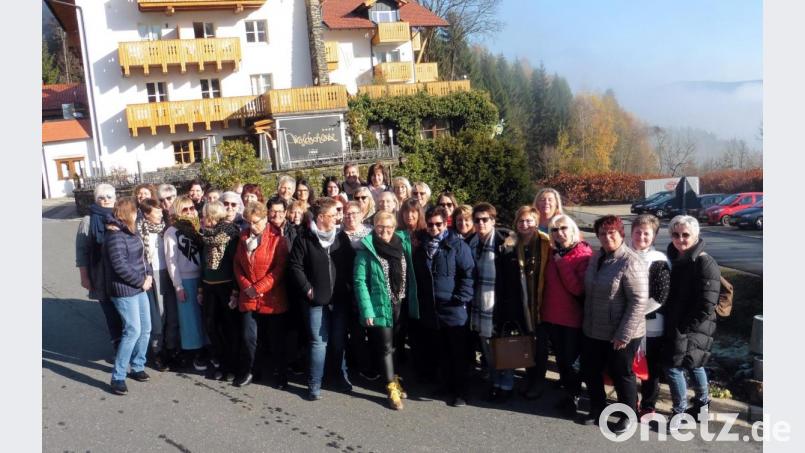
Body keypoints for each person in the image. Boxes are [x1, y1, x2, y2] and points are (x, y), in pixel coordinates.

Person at [577, 215, 648, 434]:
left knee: (621, 374)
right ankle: (598, 408)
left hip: (622, 332)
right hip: (594, 328)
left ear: (621, 234)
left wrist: (623, 334)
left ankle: (629, 416)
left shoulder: (630, 261)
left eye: (612, 233)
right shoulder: (597, 257)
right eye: (602, 234)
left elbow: (639, 301)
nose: (607, 237)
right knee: (590, 370)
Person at [289, 198, 356, 400]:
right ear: (321, 218)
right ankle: (314, 382)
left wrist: (348, 289)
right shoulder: (304, 238)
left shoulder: (341, 237)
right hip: (315, 300)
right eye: (333, 214)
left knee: (338, 341)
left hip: (339, 299)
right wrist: (307, 288)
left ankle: (341, 376)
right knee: (319, 343)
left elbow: (350, 263)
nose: (338, 217)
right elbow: (295, 266)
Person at [354, 211, 419, 410]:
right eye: (380, 227)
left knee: (396, 346)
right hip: (380, 305)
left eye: (389, 227)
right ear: (374, 226)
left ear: (394, 228)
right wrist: (368, 311)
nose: (384, 231)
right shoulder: (366, 249)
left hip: (400, 304)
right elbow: (360, 281)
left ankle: (395, 379)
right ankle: (390, 387)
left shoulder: (402, 244)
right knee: (385, 347)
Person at [412, 206, 475, 407]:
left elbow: (468, 274)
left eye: (438, 224)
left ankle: (461, 392)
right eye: (430, 224)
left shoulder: (457, 245)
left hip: (453, 307)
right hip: (432, 308)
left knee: (458, 353)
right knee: (441, 351)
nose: (434, 228)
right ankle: (446, 385)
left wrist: (461, 297)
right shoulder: (421, 247)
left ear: (445, 223)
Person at [664, 215, 720, 429]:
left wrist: (684, 328)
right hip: (681, 322)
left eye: (685, 235)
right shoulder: (677, 258)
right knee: (694, 363)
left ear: (696, 235)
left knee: (672, 366)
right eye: (676, 235)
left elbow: (707, 304)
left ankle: (680, 412)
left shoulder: (704, 262)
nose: (680, 239)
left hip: (692, 326)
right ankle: (703, 406)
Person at [534, 214, 592, 416]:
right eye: (555, 230)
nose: (559, 233)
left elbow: (578, 289)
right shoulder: (551, 252)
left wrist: (562, 263)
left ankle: (576, 396)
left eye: (563, 228)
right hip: (551, 315)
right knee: (561, 360)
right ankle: (569, 394)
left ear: (573, 229)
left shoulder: (583, 253)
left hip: (571, 318)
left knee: (571, 362)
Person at [233, 202, 290, 388]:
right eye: (248, 222)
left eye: (256, 222)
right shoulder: (243, 237)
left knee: (276, 340)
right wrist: (246, 286)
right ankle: (250, 371)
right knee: (249, 338)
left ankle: (281, 374)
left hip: (271, 298)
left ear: (265, 219)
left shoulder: (277, 239)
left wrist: (258, 288)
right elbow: (237, 265)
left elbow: (279, 269)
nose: (252, 226)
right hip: (248, 297)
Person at [496, 206, 550, 399]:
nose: (525, 224)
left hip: (542, 301)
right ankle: (529, 378)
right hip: (521, 304)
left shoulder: (545, 243)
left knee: (541, 346)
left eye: (529, 221)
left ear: (536, 222)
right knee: (527, 343)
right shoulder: (512, 244)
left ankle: (538, 382)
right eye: (521, 221)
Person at [103, 197, 153, 395]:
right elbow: (119, 266)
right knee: (132, 331)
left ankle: (138, 365)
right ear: (128, 213)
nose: (138, 215)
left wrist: (148, 274)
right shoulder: (115, 237)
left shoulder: (132, 231)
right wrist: (141, 281)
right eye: (135, 212)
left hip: (140, 287)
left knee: (146, 328)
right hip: (124, 290)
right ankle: (118, 376)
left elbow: (143, 257)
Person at [467, 203, 514, 402]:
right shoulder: (472, 243)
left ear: (493, 221)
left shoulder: (504, 243)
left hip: (498, 304)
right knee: (487, 347)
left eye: (485, 219)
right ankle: (495, 383)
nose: (480, 223)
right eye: (477, 220)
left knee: (502, 347)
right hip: (479, 305)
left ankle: (507, 384)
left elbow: (512, 281)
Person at [628, 214, 671, 420]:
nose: (641, 236)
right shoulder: (624, 255)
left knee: (650, 367)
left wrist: (634, 313)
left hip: (650, 324)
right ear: (631, 233)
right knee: (627, 365)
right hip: (626, 324)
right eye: (638, 232)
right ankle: (629, 401)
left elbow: (660, 296)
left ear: (654, 236)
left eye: (647, 233)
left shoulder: (659, 261)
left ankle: (648, 404)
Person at [75, 183, 123, 355]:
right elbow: (82, 252)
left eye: (109, 197)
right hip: (99, 273)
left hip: (121, 273)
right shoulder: (88, 221)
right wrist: (84, 277)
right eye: (101, 197)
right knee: (110, 311)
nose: (105, 201)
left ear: (115, 199)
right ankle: (118, 343)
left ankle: (130, 344)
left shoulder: (121, 216)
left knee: (125, 310)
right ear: (96, 200)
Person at [164, 195, 207, 371]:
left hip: (201, 278)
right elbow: (171, 261)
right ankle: (193, 354)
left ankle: (204, 349)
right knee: (190, 320)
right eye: (185, 209)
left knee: (202, 317)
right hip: (186, 279)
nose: (189, 212)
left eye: (191, 208)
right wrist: (178, 286)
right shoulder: (171, 232)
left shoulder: (197, 228)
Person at [200, 201, 242, 382]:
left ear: (213, 217)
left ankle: (232, 366)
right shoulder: (206, 236)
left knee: (229, 328)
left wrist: (235, 291)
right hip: (209, 286)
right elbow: (203, 264)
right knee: (211, 326)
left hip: (226, 286)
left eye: (205, 216)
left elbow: (236, 264)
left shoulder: (230, 235)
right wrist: (200, 288)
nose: (202, 219)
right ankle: (222, 363)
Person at [136, 198, 179, 372]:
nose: (161, 213)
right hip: (153, 275)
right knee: (159, 316)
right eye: (157, 211)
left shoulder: (165, 229)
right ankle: (158, 351)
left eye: (161, 210)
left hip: (168, 274)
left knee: (173, 314)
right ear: (146, 214)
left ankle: (171, 347)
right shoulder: (139, 232)